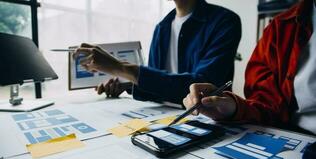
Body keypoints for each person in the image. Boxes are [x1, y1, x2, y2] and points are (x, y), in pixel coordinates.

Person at [183, 0, 316, 134]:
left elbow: (206, 76)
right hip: (297, 138)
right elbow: (267, 107)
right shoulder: (280, 28)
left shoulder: (224, 19)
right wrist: (234, 108)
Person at [74, 0, 241, 104]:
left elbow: (203, 88)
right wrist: (130, 85)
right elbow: (160, 86)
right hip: (164, 118)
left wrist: (122, 68)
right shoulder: (162, 27)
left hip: (208, 119)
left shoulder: (225, 21)